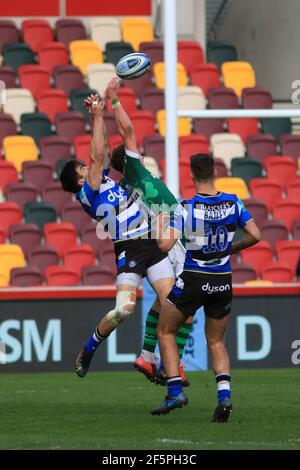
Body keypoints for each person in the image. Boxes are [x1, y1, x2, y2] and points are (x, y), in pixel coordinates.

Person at [59, 81, 183, 381]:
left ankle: (153, 360)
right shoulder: (88, 193)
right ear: (78, 181)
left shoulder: (101, 178)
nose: (90, 169)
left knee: (173, 302)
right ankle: (89, 348)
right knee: (124, 310)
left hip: (150, 242)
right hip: (128, 248)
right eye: (84, 169)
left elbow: (100, 156)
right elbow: (97, 155)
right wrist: (98, 116)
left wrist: (96, 117)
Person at [151, 153, 261, 421]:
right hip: (222, 280)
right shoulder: (233, 202)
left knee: (165, 331)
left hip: (193, 279)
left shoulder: (186, 207)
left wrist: (160, 224)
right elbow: (256, 235)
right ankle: (224, 396)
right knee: (216, 341)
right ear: (214, 172)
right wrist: (232, 247)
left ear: (191, 176)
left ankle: (175, 391)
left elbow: (164, 246)